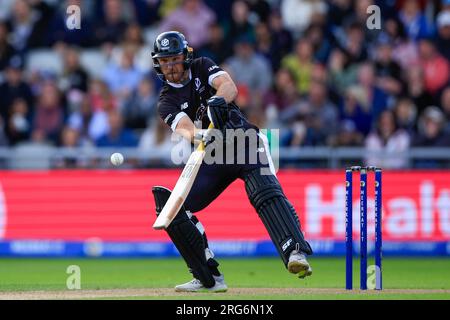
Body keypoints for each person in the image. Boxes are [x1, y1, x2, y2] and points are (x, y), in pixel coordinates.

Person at [150, 31, 313, 292]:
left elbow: (229, 86)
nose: (170, 66)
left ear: (186, 56)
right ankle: (208, 278)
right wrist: (199, 134)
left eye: (175, 58)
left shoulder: (202, 66)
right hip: (213, 153)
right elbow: (184, 128)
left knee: (263, 192)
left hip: (244, 141)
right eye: (165, 61)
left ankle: (295, 252)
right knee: (175, 211)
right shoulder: (166, 101)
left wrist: (218, 99)